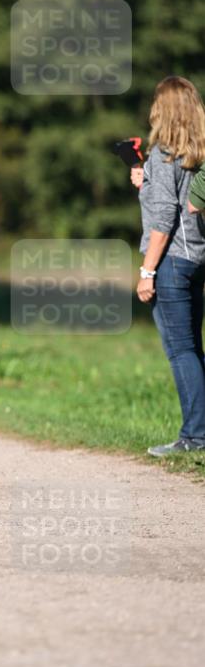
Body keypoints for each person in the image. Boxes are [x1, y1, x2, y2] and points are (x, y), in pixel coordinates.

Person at [132, 76, 205, 456]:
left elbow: (163, 220)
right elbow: (175, 201)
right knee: (194, 348)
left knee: (180, 351)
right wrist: (143, 184)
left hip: (172, 262)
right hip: (196, 258)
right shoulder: (197, 153)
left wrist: (147, 272)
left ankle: (194, 437)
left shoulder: (163, 154)